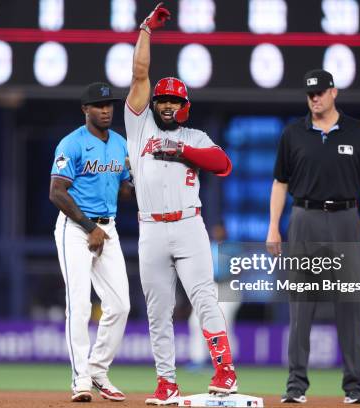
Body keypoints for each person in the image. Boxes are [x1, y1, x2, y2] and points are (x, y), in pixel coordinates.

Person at [125, 3, 237, 405]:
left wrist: (182, 149)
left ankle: (225, 371)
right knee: (158, 311)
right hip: (151, 228)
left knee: (205, 298)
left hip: (189, 226)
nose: (168, 105)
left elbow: (224, 165)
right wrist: (145, 31)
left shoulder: (196, 137)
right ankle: (166, 381)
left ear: (184, 105)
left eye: (175, 100)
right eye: (162, 99)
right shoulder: (139, 127)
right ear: (154, 104)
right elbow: (140, 74)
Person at [266, 69, 360, 405]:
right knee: (301, 307)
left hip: (347, 219)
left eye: (319, 92)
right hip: (304, 218)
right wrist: (273, 226)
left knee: (348, 306)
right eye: (309, 94)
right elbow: (280, 183)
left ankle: (355, 389)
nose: (314, 98)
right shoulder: (293, 133)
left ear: (334, 93)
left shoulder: (358, 132)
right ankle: (296, 387)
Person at [50, 82, 131, 403]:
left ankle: (97, 368)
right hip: (75, 228)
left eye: (110, 104)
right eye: (99, 105)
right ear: (85, 110)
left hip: (107, 228)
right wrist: (88, 228)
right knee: (80, 305)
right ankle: (81, 380)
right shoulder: (72, 143)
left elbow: (124, 190)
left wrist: (138, 178)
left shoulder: (120, 144)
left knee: (121, 305)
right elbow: (57, 191)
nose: (106, 110)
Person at [186, 224, 241, 371]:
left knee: (224, 323)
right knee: (195, 322)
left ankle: (226, 362)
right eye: (215, 230)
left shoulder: (233, 248)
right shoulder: (207, 247)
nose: (218, 232)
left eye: (220, 230)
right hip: (209, 286)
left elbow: (238, 270)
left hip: (227, 286)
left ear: (225, 231)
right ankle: (197, 359)